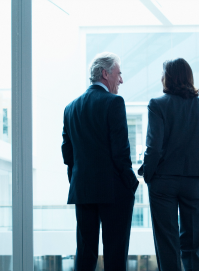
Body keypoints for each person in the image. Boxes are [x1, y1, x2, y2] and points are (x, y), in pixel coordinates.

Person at [139, 58, 199, 270]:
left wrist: (148, 175)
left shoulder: (157, 104)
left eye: (163, 74)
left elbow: (154, 148)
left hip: (162, 182)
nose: (161, 78)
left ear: (168, 78)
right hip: (194, 182)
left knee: (167, 243)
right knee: (194, 242)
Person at [62, 52, 139, 271]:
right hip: (113, 190)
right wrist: (131, 183)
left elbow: (67, 152)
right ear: (105, 74)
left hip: (82, 190)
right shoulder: (114, 102)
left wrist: (77, 180)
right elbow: (120, 151)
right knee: (115, 254)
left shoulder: (71, 108)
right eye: (119, 73)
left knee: (85, 253)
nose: (121, 80)